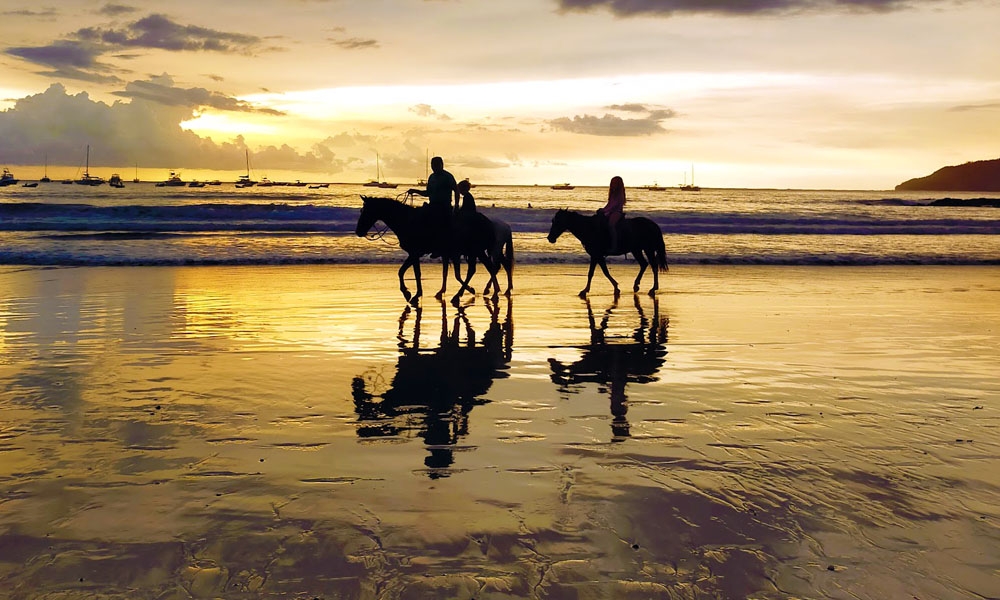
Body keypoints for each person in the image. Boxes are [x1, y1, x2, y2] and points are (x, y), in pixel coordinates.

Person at [408, 156, 459, 256]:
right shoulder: (431, 177)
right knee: (418, 218)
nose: (434, 167)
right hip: (433, 205)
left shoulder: (448, 176)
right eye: (432, 165)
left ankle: (439, 248)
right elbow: (427, 193)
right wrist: (415, 191)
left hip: (444, 207)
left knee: (438, 224)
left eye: (436, 165)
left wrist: (456, 205)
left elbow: (456, 190)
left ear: (441, 165)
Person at [600, 175, 626, 253]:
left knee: (611, 225)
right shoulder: (613, 193)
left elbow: (614, 205)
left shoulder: (619, 194)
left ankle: (614, 245)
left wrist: (604, 210)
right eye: (612, 183)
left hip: (616, 212)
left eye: (615, 183)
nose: (613, 184)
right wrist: (603, 210)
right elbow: (609, 204)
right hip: (610, 211)